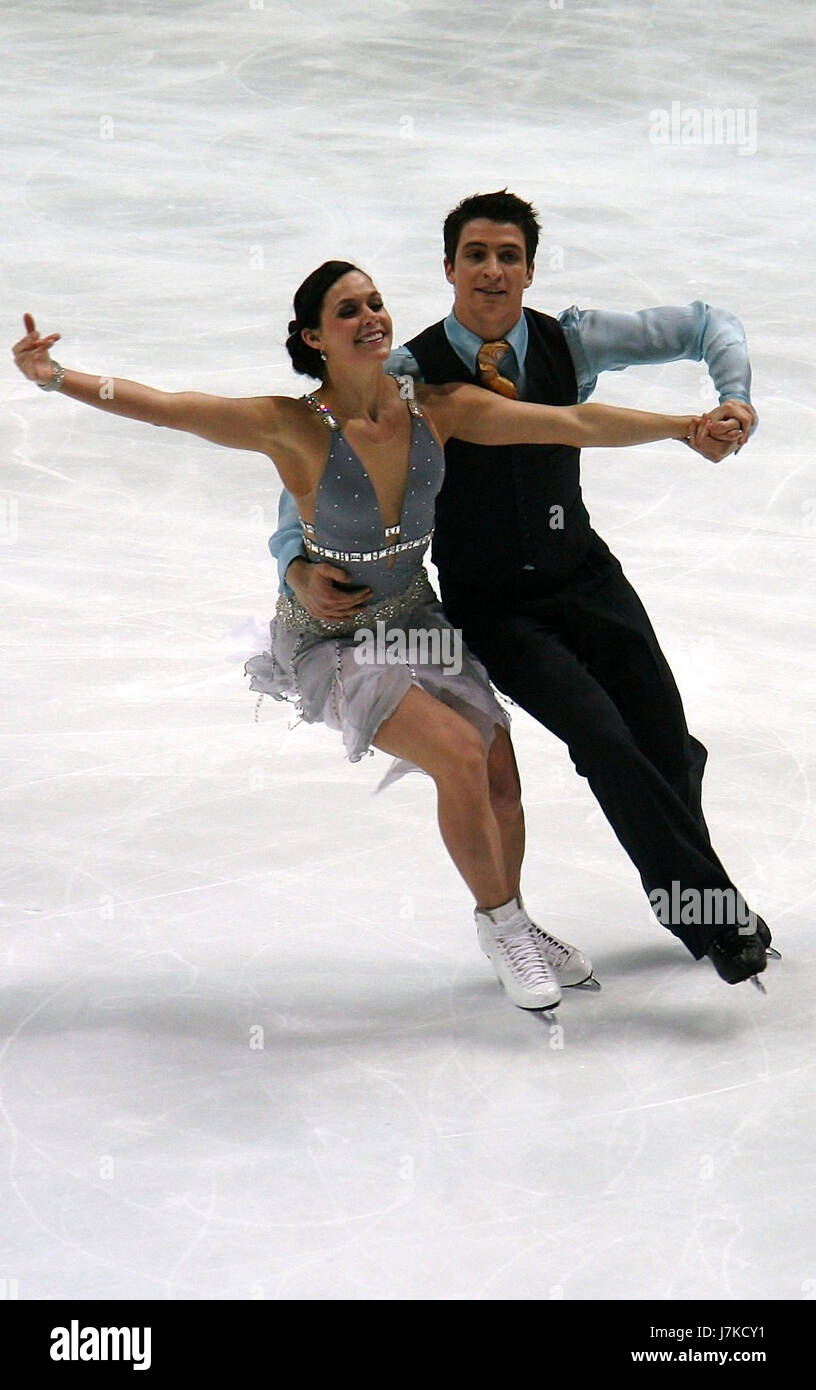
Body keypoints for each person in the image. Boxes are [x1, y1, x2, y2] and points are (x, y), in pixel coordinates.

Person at [12, 277, 740, 1012]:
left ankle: (512, 917)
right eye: (347, 311)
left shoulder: (439, 411)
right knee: (455, 752)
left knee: (498, 774)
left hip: (417, 620)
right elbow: (165, 409)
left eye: (375, 304)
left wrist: (683, 426)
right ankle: (503, 925)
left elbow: (572, 425)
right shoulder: (289, 426)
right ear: (314, 340)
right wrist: (55, 378)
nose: (370, 318)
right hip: (335, 637)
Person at [271, 194, 776, 990]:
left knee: (666, 748)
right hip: (495, 605)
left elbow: (709, 322)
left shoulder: (570, 341)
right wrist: (296, 566)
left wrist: (733, 397)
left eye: (509, 255)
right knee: (604, 741)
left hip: (586, 573)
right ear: (449, 269)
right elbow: (321, 482)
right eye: (476, 254)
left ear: (530, 269)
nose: (493, 270)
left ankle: (691, 867)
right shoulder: (410, 375)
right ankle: (713, 919)